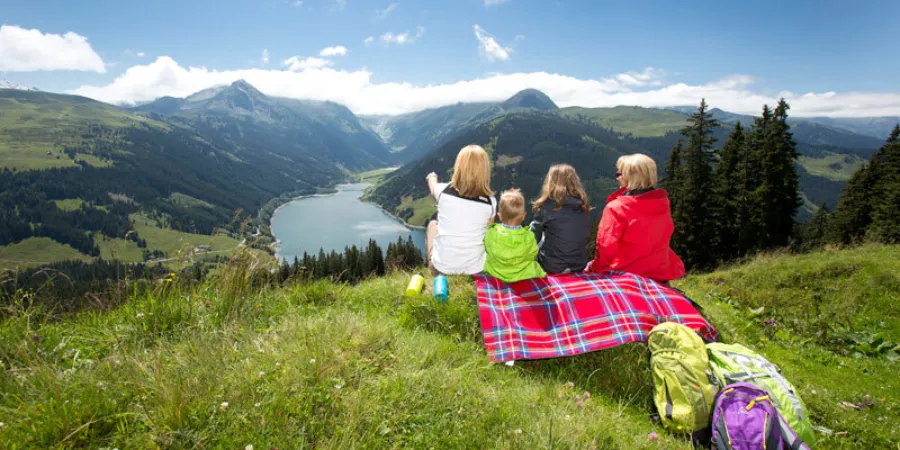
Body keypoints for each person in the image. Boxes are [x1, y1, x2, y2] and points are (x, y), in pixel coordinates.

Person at [586, 154, 685, 282]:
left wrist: (594, 269)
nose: (617, 178)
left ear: (629, 178)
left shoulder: (616, 208)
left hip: (626, 273)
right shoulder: (663, 204)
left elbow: (606, 247)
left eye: (619, 174)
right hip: (659, 272)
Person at [425, 144, 497, 275]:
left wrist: (431, 176)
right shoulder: (490, 202)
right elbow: (489, 231)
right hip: (476, 270)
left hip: (442, 268)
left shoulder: (443, 191)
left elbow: (433, 187)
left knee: (433, 225)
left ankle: (430, 263)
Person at [530, 164, 591, 274]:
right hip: (579, 264)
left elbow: (532, 239)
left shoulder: (545, 207)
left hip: (552, 266)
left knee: (539, 241)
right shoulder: (583, 207)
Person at [484, 189, 547, 283]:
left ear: (499, 216)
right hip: (524, 274)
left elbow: (487, 247)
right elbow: (533, 254)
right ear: (524, 216)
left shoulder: (491, 233)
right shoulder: (529, 237)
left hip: (496, 272)